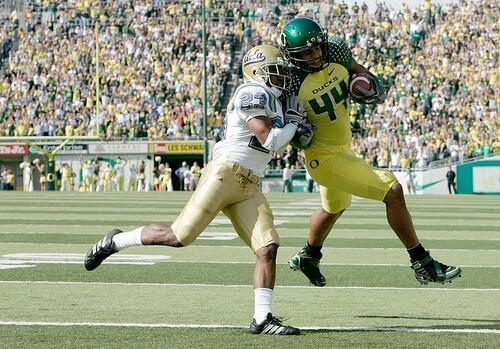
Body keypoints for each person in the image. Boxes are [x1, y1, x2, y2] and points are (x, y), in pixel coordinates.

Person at [83, 44, 314, 335]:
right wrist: (294, 124)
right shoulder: (251, 91)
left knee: (267, 248)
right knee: (178, 236)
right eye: (276, 71)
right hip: (225, 174)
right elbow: (269, 139)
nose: (283, 77)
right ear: (258, 72)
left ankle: (262, 317)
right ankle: (114, 241)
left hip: (250, 183)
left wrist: (298, 129)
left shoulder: (277, 99)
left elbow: (286, 137)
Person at [279, 17, 461, 286]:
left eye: (317, 47)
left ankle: (309, 255)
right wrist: (298, 135)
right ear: (293, 56)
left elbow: (366, 78)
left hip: (343, 147)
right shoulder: (290, 82)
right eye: (307, 52)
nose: (316, 54)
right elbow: (287, 130)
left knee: (334, 207)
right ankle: (422, 262)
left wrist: (369, 87)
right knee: (393, 191)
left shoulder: (337, 52)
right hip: (322, 158)